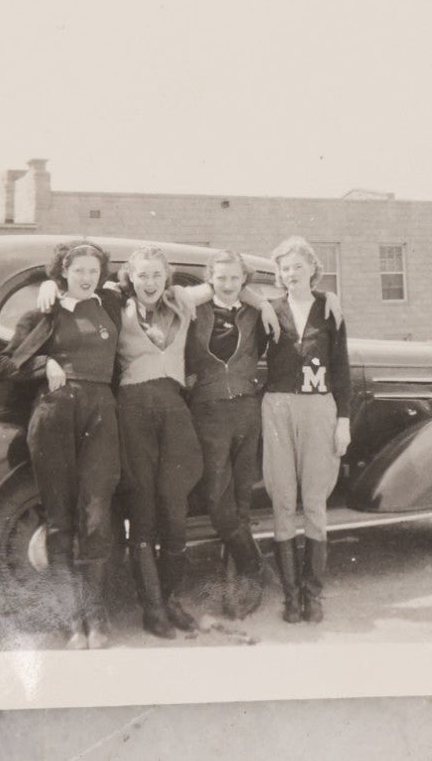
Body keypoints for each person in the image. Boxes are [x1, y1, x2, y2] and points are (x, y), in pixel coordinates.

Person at [38, 247, 278, 640]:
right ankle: (152, 610)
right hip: (133, 412)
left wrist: (263, 303)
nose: (149, 283)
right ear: (130, 277)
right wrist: (49, 283)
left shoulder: (182, 300)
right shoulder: (115, 302)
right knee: (144, 510)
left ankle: (169, 600)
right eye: (143, 275)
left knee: (175, 511)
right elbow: (75, 295)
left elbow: (228, 288)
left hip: (175, 412)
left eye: (156, 275)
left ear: (167, 278)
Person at [0, 240, 122, 650]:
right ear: (63, 272)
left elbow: (170, 286)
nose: (86, 277)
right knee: (60, 518)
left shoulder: (111, 305)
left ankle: (96, 616)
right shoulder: (42, 314)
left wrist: (257, 300)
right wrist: (41, 363)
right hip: (54, 415)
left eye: (93, 271)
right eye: (78, 270)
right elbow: (4, 365)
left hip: (100, 413)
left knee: (97, 514)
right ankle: (71, 620)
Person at [261, 236, 351, 623]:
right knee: (282, 499)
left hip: (320, 408)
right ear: (278, 275)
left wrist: (343, 420)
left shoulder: (329, 310)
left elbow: (342, 368)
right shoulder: (270, 309)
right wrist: (258, 301)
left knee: (314, 501)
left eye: (298, 266)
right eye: (285, 268)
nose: (291, 273)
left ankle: (313, 594)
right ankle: (291, 597)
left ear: (313, 269)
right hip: (278, 406)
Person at [184, 250, 269, 620]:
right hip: (208, 410)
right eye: (221, 278)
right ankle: (252, 564)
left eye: (235, 278)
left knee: (242, 496)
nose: (229, 284)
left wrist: (261, 301)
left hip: (247, 410)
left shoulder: (256, 314)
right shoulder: (193, 312)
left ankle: (239, 582)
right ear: (210, 279)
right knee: (218, 497)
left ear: (244, 280)